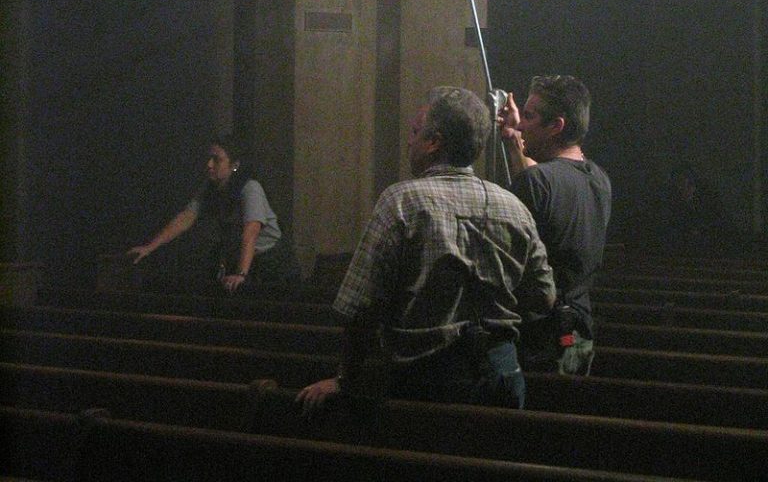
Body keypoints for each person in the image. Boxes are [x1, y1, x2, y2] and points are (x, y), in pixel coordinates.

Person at [296, 86, 555, 415]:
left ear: (433, 142)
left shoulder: (402, 202)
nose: (409, 141)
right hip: (501, 375)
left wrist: (346, 379)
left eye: (415, 132)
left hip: (427, 380)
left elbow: (358, 309)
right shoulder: (514, 208)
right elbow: (543, 297)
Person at [498, 76, 611, 376]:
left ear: (556, 126)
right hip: (578, 330)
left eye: (530, 117)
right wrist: (512, 139)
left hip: (538, 337)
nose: (522, 125)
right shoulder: (598, 178)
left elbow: (505, 264)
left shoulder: (537, 183)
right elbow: (547, 186)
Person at [128, 136, 295, 293]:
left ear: (234, 165)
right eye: (209, 158)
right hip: (244, 258)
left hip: (271, 261)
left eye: (217, 159)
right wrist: (149, 247)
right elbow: (186, 218)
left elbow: (250, 232)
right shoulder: (210, 188)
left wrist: (242, 274)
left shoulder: (250, 188)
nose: (209, 164)